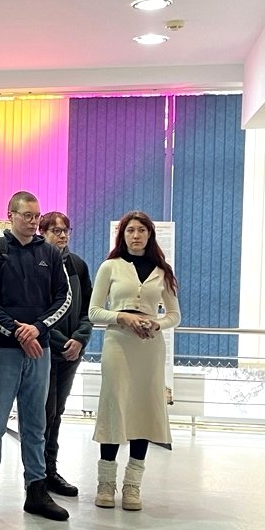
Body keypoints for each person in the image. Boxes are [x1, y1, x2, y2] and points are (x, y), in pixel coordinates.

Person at [0, 190, 72, 526]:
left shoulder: (51, 254)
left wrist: (38, 328)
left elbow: (63, 299)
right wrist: (19, 333)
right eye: (26, 215)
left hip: (39, 351)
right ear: (10, 215)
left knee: (36, 425)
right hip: (2, 351)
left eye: (36, 216)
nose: (32, 222)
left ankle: (36, 491)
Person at [88, 211, 179, 511]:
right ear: (122, 235)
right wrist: (123, 317)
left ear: (150, 234)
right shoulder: (110, 266)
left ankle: (132, 486)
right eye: (130, 230)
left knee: (144, 410)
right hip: (118, 344)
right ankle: (105, 483)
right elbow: (94, 311)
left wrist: (157, 324)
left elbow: (174, 315)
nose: (136, 235)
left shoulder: (162, 271)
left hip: (149, 348)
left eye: (141, 230)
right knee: (114, 406)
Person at [39, 211, 93, 497]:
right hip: (46, 350)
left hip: (72, 352)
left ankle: (51, 470)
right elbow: (36, 313)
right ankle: (37, 475)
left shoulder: (78, 265)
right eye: (55, 231)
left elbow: (88, 308)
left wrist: (80, 339)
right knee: (44, 414)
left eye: (65, 231)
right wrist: (61, 342)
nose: (62, 236)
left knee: (57, 412)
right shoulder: (37, 264)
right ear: (43, 233)